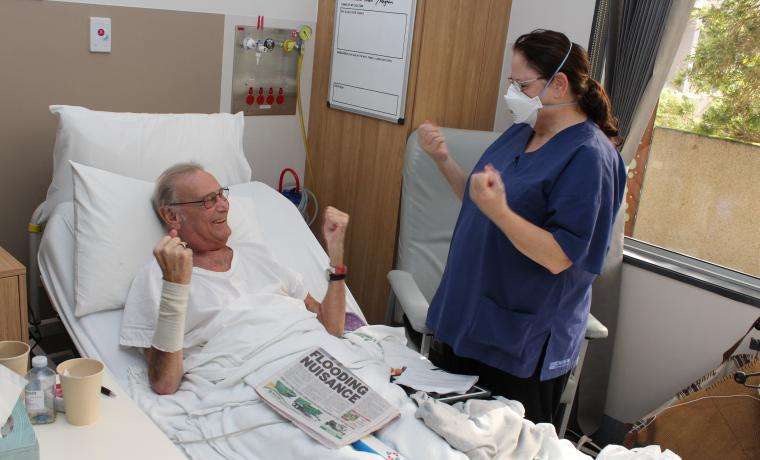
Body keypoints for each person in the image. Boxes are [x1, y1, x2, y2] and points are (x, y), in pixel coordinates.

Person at [418, 29, 627, 424]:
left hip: (518, 346)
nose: (512, 92)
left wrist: (500, 212)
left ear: (558, 84)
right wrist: (443, 160)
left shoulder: (589, 157)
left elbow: (559, 256)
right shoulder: (521, 133)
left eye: (521, 83)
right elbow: (480, 201)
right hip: (467, 321)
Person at [119, 163, 350, 395]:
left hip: (314, 357)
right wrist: (176, 287)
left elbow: (332, 327)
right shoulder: (158, 278)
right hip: (252, 382)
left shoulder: (258, 255)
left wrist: (336, 255)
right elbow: (164, 384)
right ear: (172, 215)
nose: (223, 206)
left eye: (221, 195)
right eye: (208, 200)